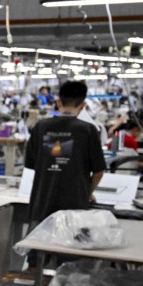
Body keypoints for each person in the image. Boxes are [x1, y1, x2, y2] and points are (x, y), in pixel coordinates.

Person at [23, 80, 106, 224]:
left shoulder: (40, 127)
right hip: (75, 207)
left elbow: (32, 164)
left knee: (38, 238)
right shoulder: (88, 130)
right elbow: (98, 172)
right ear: (83, 106)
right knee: (70, 239)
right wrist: (87, 192)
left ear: (58, 103)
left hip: (42, 205)